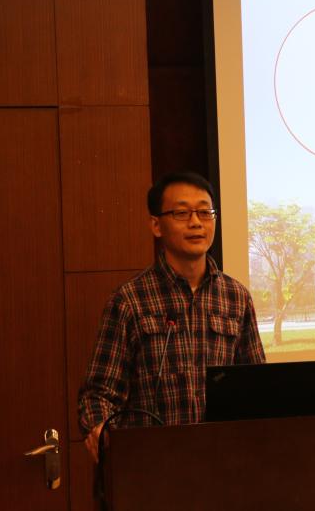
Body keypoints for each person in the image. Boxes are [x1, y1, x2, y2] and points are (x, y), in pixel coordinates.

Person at [78, 172, 266, 462]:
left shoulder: (236, 297)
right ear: (156, 225)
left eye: (205, 212)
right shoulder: (129, 300)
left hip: (223, 464)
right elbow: (98, 393)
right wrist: (100, 427)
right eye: (181, 213)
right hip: (152, 465)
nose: (196, 222)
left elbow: (257, 385)